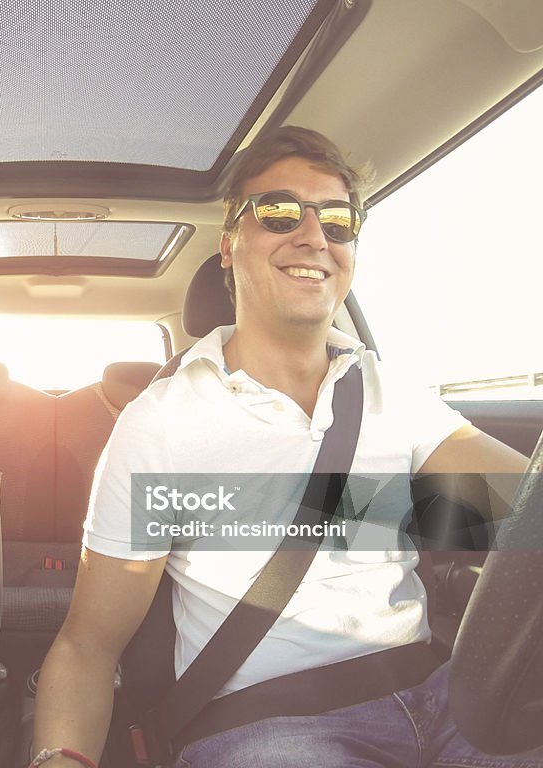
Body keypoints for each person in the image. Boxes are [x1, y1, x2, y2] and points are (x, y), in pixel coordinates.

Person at [31, 127, 537, 768]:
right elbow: (89, 645)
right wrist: (60, 759)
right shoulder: (162, 422)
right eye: (277, 212)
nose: (313, 236)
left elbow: (523, 507)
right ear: (228, 245)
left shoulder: (387, 389)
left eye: (337, 220)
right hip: (270, 723)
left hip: (440, 694)